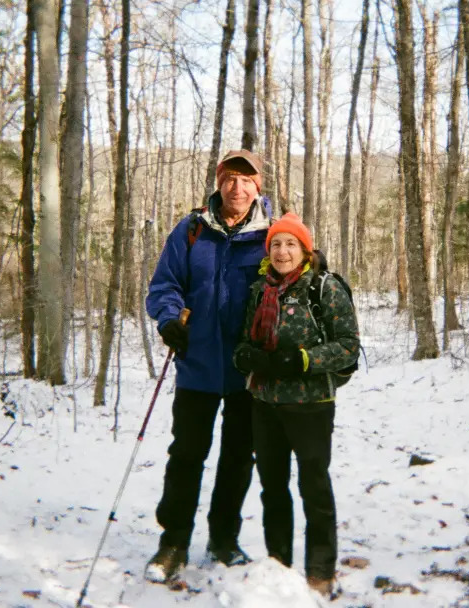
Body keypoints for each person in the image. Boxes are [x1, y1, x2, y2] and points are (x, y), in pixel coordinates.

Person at [144, 149, 271, 583]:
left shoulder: (271, 234)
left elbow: (296, 278)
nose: (238, 187)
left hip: (247, 369)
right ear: (219, 183)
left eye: (246, 179)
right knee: (186, 456)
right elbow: (164, 284)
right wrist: (168, 319)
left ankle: (223, 539)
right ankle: (173, 542)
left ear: (259, 187)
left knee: (238, 458)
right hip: (196, 365)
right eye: (230, 178)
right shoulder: (192, 230)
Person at [233, 213, 359, 598]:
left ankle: (320, 570)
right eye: (275, 244)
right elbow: (241, 343)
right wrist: (247, 358)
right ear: (267, 251)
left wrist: (302, 360)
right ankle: (279, 563)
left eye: (290, 244)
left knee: (314, 486)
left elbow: (348, 347)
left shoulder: (325, 288)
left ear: (304, 249)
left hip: (311, 405)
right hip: (265, 404)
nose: (282, 251)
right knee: (272, 487)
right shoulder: (259, 290)